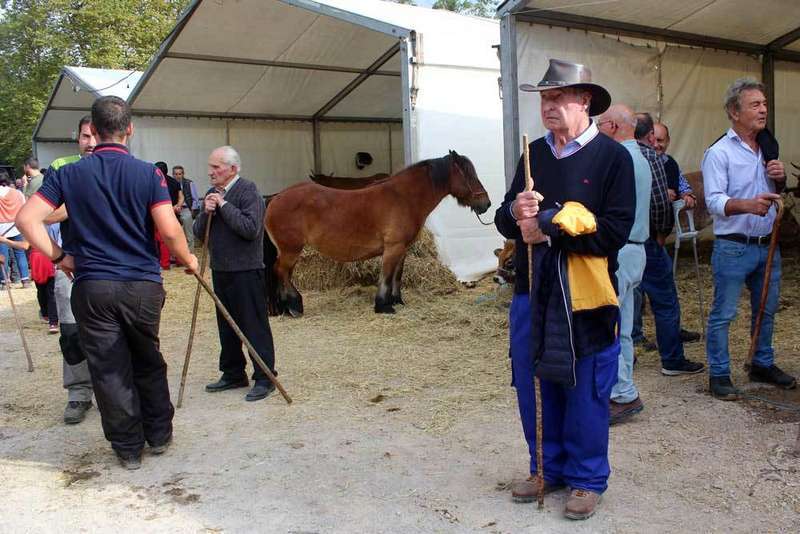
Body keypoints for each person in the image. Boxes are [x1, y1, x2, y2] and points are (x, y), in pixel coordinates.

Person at [17, 95, 199, 469]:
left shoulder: (67, 174)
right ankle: (160, 434)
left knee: (109, 367)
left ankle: (128, 448)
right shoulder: (149, 173)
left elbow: (25, 220)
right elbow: (168, 229)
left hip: (94, 284)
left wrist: (58, 257)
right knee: (147, 358)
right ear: (129, 129)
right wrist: (189, 257)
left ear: (94, 133)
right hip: (142, 286)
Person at [495, 59, 634, 520]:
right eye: (544, 98)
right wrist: (517, 211)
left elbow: (615, 231)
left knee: (588, 387)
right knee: (534, 382)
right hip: (531, 291)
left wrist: (550, 227)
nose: (548, 106)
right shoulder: (532, 153)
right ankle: (545, 468)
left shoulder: (613, 157)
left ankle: (586, 479)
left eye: (558, 97)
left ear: (585, 101)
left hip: (587, 295)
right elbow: (502, 221)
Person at [702, 78, 797, 399]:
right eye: (755, 105)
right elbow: (713, 201)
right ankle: (719, 374)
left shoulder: (768, 145)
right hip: (732, 246)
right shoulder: (718, 152)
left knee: (766, 309)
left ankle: (762, 362)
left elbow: (774, 191)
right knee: (724, 313)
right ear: (733, 112)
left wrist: (780, 179)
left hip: (767, 245)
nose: (763, 110)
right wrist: (747, 205)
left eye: (765, 104)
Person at [193, 146, 278, 403]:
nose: (211, 172)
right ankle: (233, 373)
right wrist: (205, 211)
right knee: (226, 326)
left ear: (233, 168)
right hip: (221, 269)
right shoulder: (211, 194)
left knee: (253, 325)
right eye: (210, 167)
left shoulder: (248, 191)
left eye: (216, 167)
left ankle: (265, 377)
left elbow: (250, 229)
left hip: (246, 270)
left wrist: (224, 205)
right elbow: (198, 233)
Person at [633, 112, 705, 376]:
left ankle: (627, 355)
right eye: (656, 138)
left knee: (626, 298)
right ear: (650, 135)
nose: (659, 144)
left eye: (664, 140)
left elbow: (686, 190)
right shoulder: (649, 158)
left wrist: (684, 194)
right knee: (663, 299)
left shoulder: (617, 154)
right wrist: (661, 233)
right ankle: (671, 359)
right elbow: (660, 206)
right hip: (647, 240)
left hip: (627, 241)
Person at [597, 104, 652, 424]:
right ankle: (624, 390)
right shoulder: (640, 157)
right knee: (625, 328)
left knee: (612, 327)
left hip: (620, 251)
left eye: (601, 124)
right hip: (636, 249)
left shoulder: (620, 159)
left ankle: (620, 393)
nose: (598, 129)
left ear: (614, 127)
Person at [41, 115, 97, 424]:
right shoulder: (62, 168)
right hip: (70, 266)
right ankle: (78, 391)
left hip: (108, 267)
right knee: (72, 332)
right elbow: (44, 215)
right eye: (84, 137)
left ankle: (111, 389)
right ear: (77, 138)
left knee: (111, 333)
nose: (90, 143)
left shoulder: (115, 166)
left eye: (94, 136)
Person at [0, 171, 31, 289]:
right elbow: (24, 207)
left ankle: (5, 281)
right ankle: (25, 280)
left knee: (3, 255)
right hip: (16, 226)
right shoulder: (17, 193)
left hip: (1, 227)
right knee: (20, 253)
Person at [173, 165, 195, 248]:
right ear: (173, 174)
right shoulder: (171, 183)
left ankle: (191, 254)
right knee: (174, 234)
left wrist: (192, 210)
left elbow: (195, 199)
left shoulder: (189, 183)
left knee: (189, 234)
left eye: (179, 174)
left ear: (183, 174)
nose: (177, 176)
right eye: (175, 174)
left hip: (186, 209)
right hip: (174, 210)